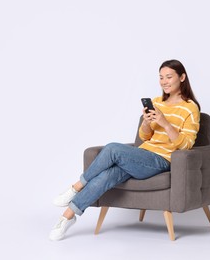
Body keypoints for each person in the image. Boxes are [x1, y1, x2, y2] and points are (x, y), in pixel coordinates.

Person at [49, 59, 201, 241]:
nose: (164, 82)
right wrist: (146, 122)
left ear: (182, 77)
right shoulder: (156, 102)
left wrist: (165, 123)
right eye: (161, 78)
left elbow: (186, 145)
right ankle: (67, 216)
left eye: (169, 77)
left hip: (163, 160)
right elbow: (145, 137)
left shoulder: (190, 108)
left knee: (112, 148)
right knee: (107, 176)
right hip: (142, 156)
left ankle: (76, 187)